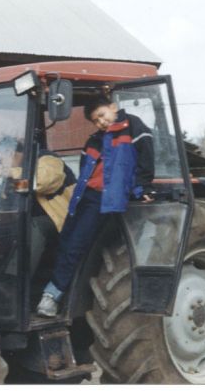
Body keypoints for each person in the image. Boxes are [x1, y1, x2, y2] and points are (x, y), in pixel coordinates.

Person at [37, 95, 155, 317]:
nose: (100, 122)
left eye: (102, 115)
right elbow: (85, 173)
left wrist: (142, 189)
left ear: (113, 107)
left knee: (76, 243)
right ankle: (59, 293)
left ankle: (53, 295)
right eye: (95, 120)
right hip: (86, 197)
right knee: (65, 240)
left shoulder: (133, 127)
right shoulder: (94, 140)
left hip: (107, 197)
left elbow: (145, 161)